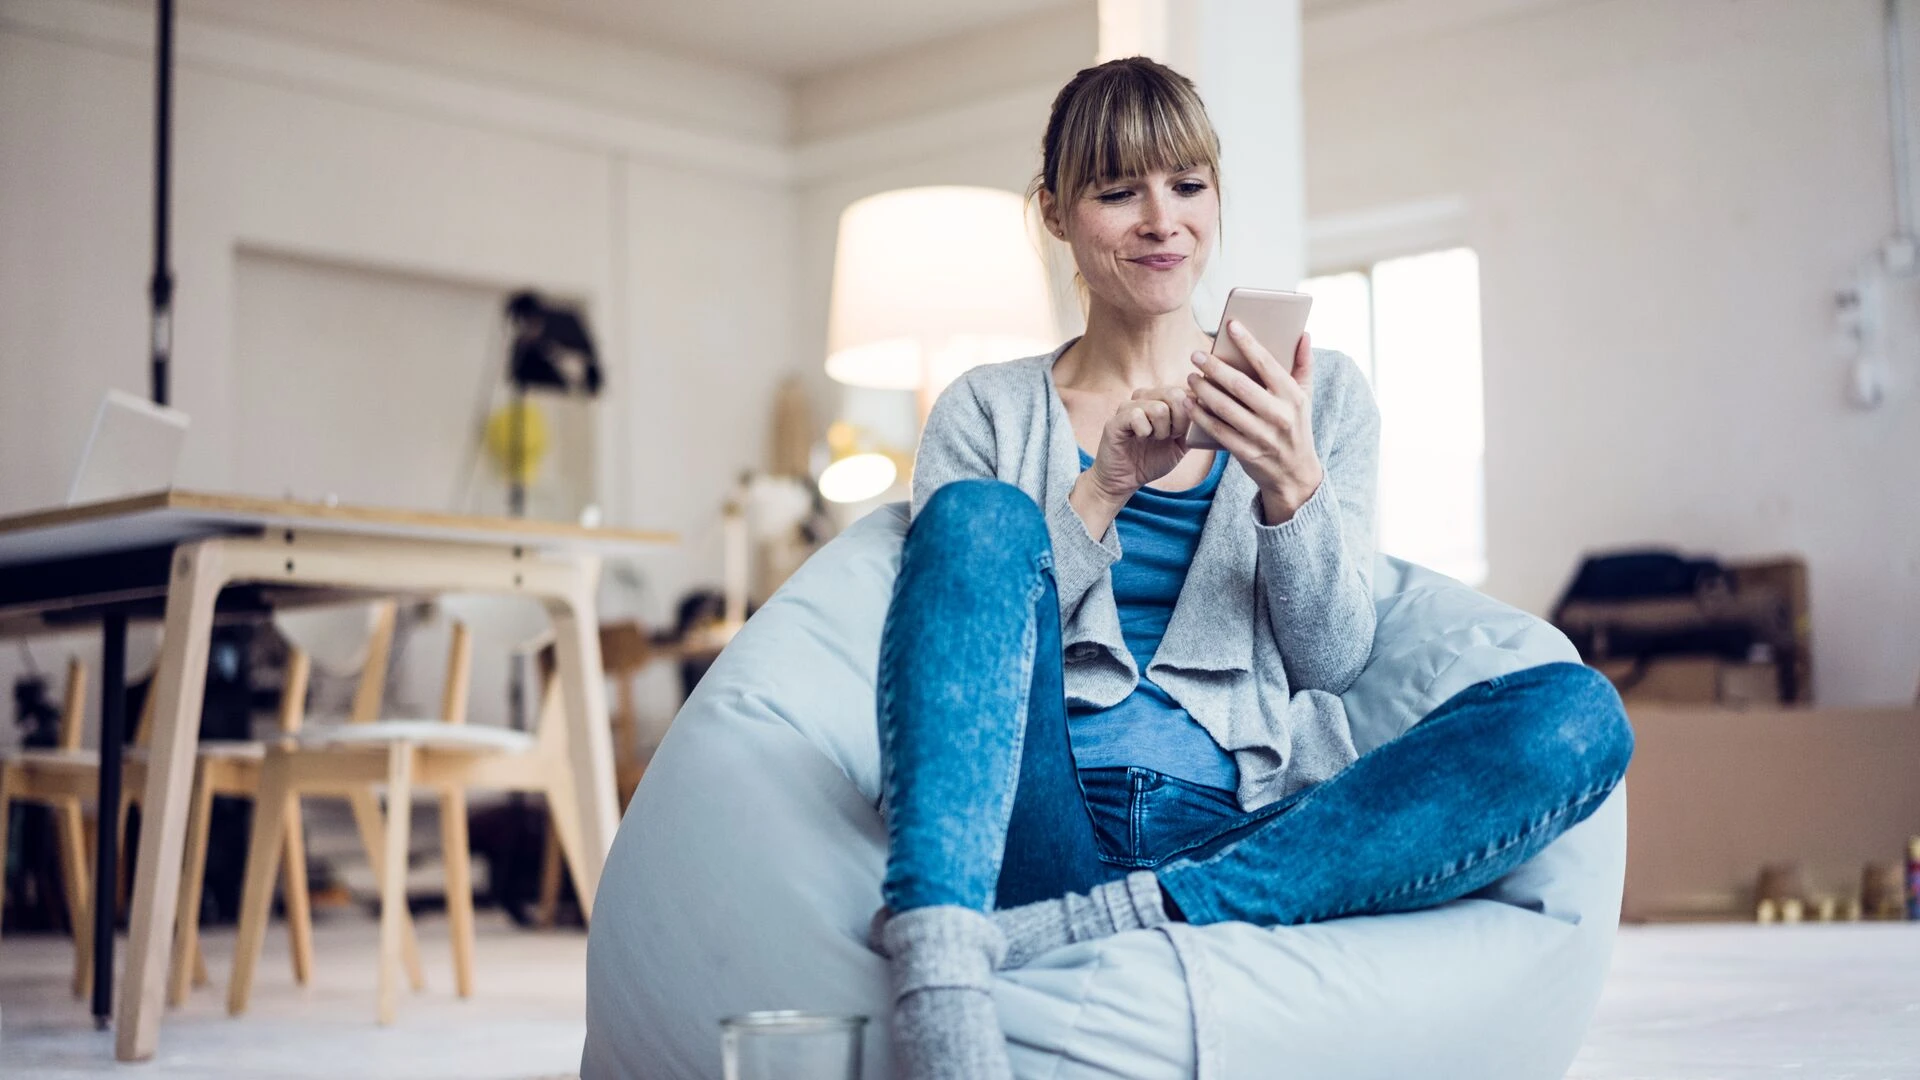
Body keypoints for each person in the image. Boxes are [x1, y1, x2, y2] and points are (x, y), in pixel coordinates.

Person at [867, 57, 1634, 1080]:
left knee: (1579, 716)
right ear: (1054, 213)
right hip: (1036, 819)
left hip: (1247, 831)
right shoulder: (988, 409)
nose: (1161, 221)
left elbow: (1330, 660)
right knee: (971, 517)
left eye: (1188, 184)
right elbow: (972, 638)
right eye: (1117, 191)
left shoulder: (1324, 398)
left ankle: (1126, 918)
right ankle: (940, 964)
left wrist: (1291, 485)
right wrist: (1101, 492)